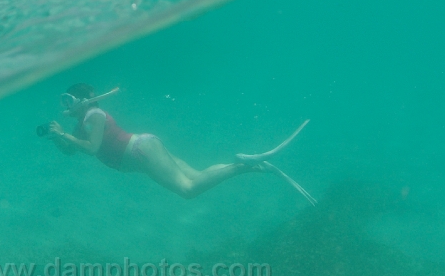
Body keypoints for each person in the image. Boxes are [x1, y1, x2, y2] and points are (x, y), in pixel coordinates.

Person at [45, 83, 315, 203]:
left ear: (83, 101)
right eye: (64, 101)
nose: (66, 106)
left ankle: (243, 165)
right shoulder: (83, 123)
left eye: (69, 100)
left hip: (141, 153)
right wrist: (60, 138)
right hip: (143, 149)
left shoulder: (94, 115)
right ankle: (255, 166)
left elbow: (91, 148)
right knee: (196, 177)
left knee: (188, 190)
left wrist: (68, 136)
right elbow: (72, 151)